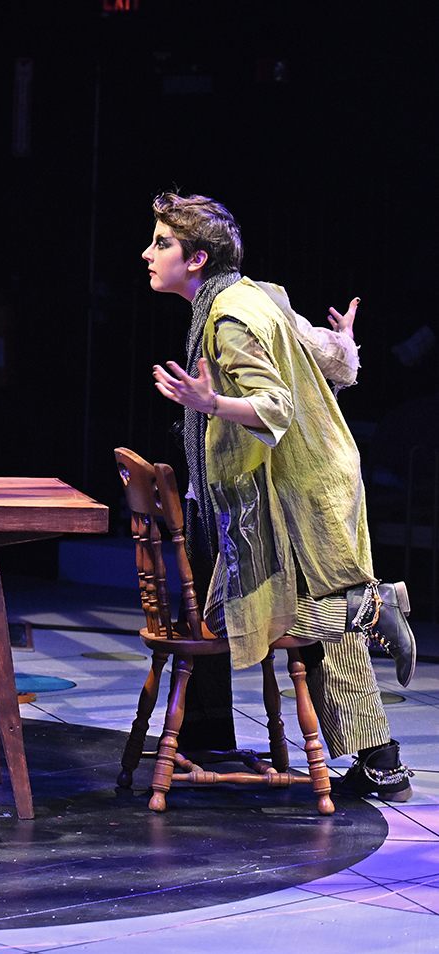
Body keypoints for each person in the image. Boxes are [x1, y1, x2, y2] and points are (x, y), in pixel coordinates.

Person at [144, 192, 417, 800]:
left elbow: (274, 407)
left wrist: (209, 404)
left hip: (300, 487)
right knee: (299, 623)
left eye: (161, 242)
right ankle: (381, 763)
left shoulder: (233, 315)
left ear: (198, 258)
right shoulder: (255, 294)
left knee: (267, 619)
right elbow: (335, 364)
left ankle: (372, 609)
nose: (148, 252)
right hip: (305, 477)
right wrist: (343, 342)